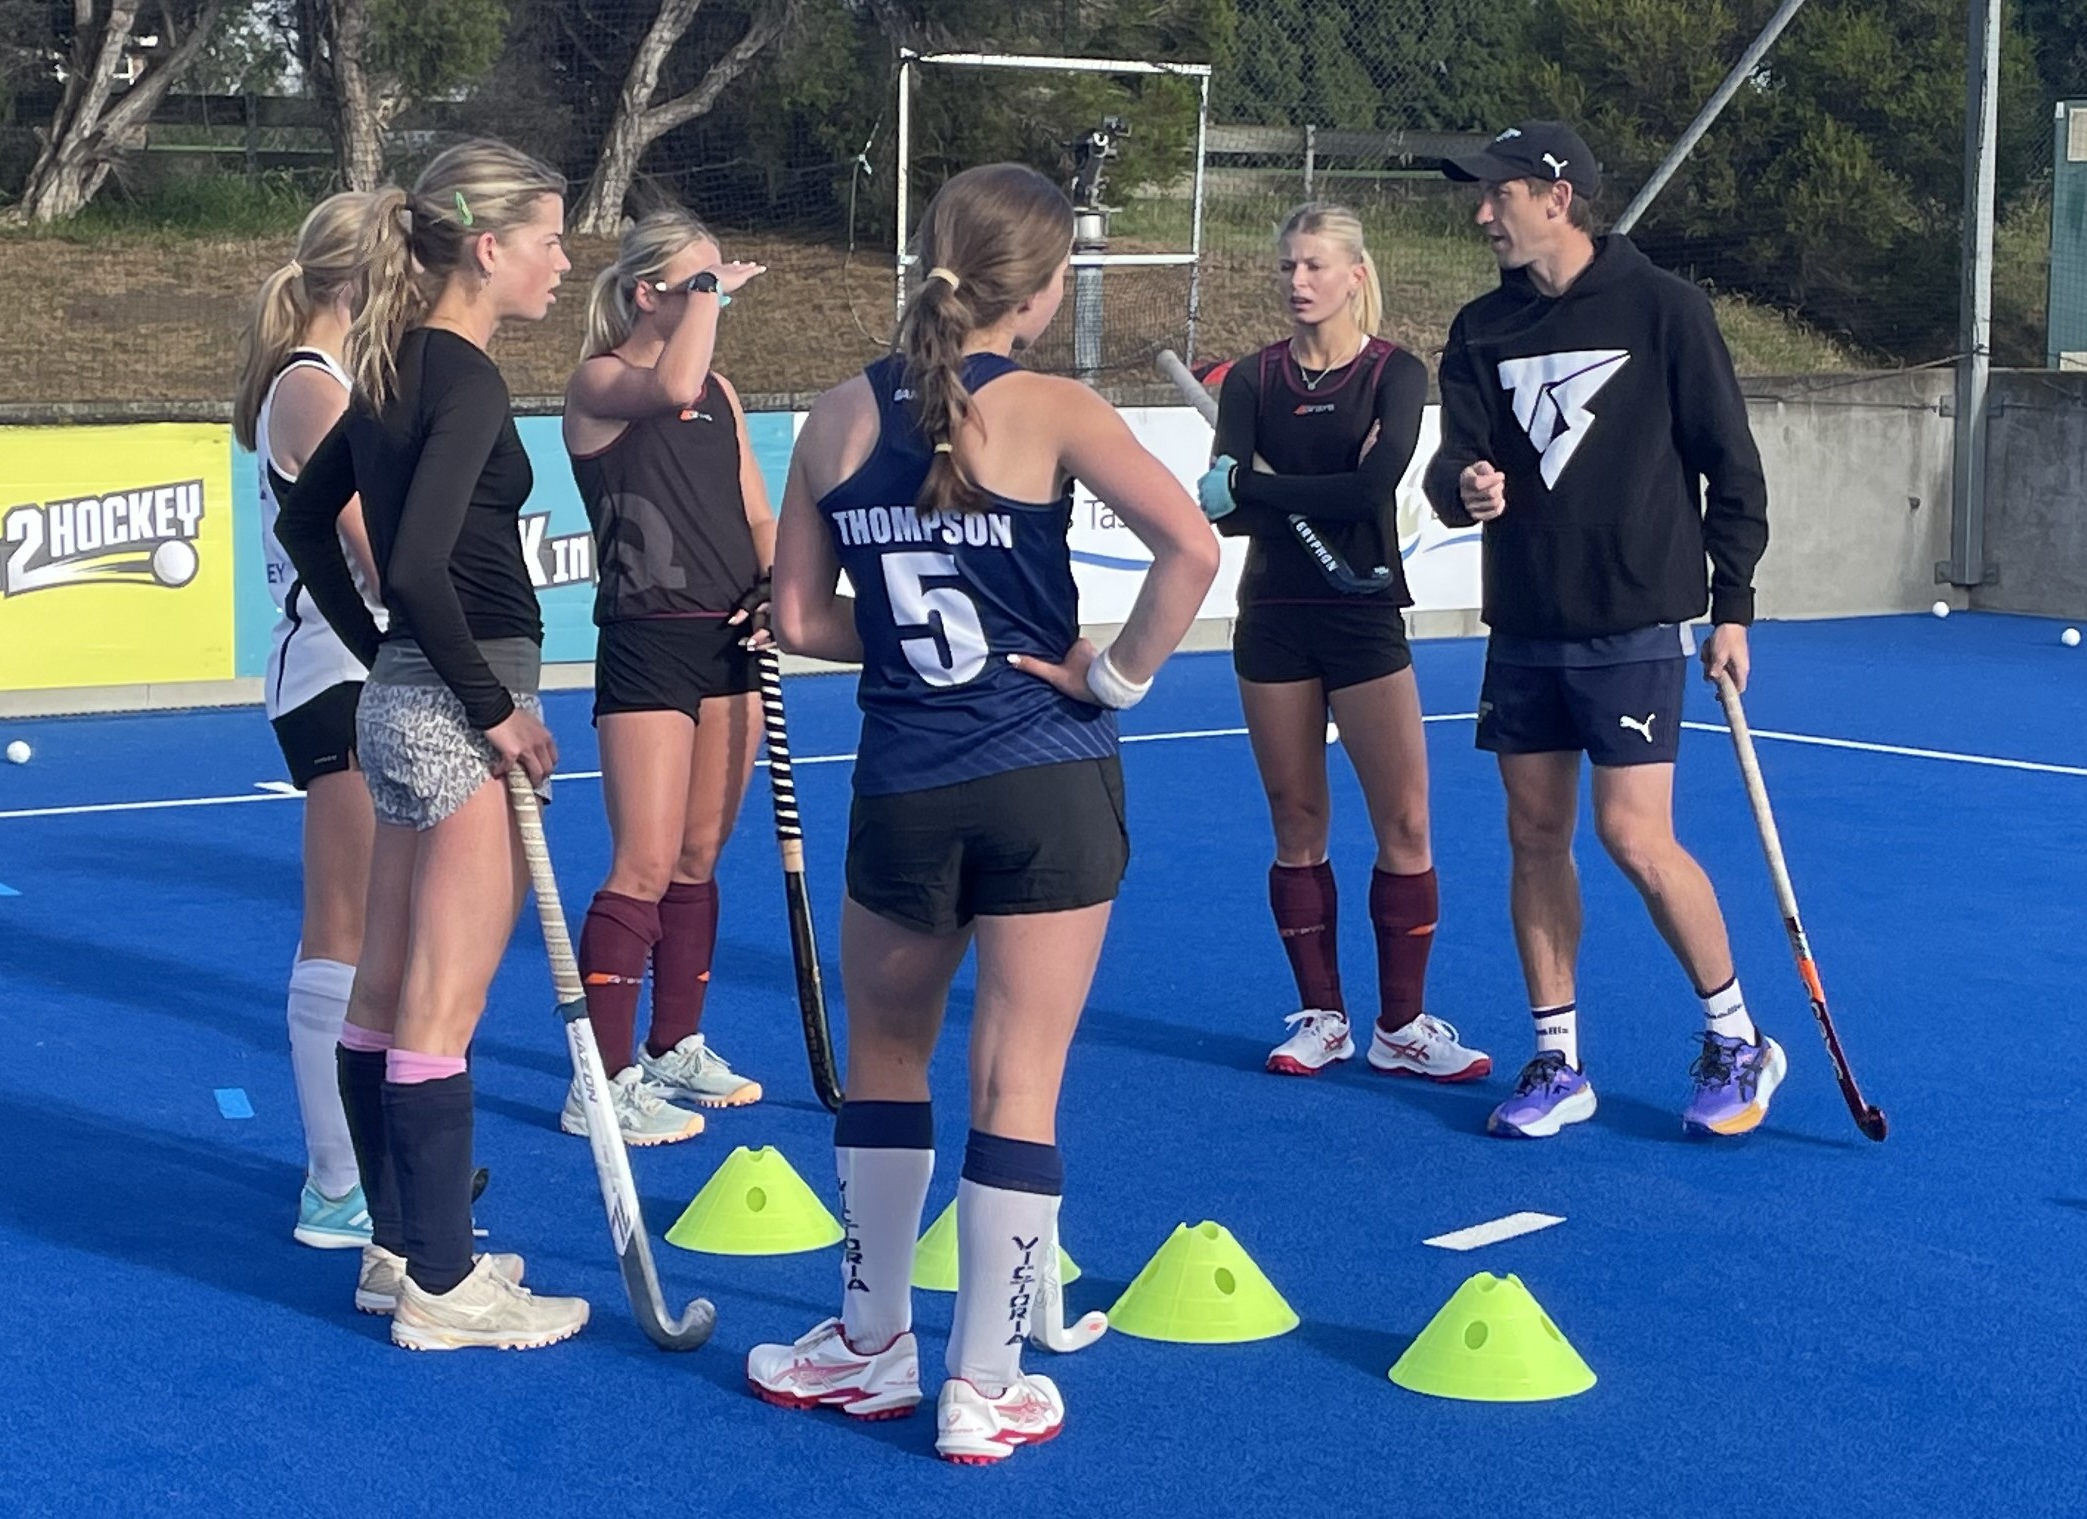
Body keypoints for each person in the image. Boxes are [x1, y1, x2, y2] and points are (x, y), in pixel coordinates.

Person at [745, 163, 1218, 1462]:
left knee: (887, 1061)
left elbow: (792, 618)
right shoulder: (1057, 405)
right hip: (1046, 779)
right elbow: (1191, 547)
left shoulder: (836, 416)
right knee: (1020, 1080)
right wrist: (1108, 675)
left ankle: (868, 1339)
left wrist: (903, 650)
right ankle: (985, 1377)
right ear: (1048, 281)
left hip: (905, 784)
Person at [277, 139, 590, 1349]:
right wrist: (491, 703)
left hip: (405, 698)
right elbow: (409, 561)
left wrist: (382, 649)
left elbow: (313, 525)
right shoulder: (457, 375)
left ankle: (400, 1249)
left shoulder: (388, 367)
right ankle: (449, 1290)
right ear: (491, 246)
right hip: (459, 703)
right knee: (439, 1009)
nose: (566, 264)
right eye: (553, 240)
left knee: (383, 992)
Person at [1421, 121, 1780, 1140]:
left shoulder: (1664, 308)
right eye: (1477, 196)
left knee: (1631, 835)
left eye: (1496, 195)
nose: (1480, 213)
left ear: (1556, 195)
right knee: (1533, 835)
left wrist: (1733, 607)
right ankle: (1555, 1062)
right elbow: (1448, 463)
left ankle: (1734, 1037)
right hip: (1524, 622)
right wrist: (1467, 484)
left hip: (1630, 621)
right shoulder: (1479, 327)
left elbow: (1730, 465)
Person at [1199, 203, 1484, 1085]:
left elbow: (1371, 489)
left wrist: (1261, 484)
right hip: (1274, 614)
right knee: (1298, 825)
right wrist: (1261, 487)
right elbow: (1224, 505)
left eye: (1315, 266)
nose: (1297, 282)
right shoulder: (1252, 379)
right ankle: (1324, 1015)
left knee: (1404, 821)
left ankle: (1403, 1025)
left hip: (1363, 614)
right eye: (1288, 267)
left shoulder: (1396, 373)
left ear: (1356, 274)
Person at [559, 211, 774, 1145]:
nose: (714, 300)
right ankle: (599, 1083)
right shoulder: (602, 382)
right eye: (697, 286)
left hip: (729, 642)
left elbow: (756, 510)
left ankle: (674, 1042)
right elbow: (673, 377)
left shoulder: (717, 391)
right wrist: (714, 296)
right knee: (641, 863)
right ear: (648, 293)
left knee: (698, 857)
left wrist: (776, 589)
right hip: (647, 641)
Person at [233, 190, 385, 1249]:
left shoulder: (329, 383)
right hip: (339, 671)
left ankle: (365, 1159)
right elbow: (376, 553)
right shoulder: (309, 389)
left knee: (372, 930)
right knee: (341, 928)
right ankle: (336, 1183)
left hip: (353, 671)